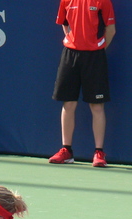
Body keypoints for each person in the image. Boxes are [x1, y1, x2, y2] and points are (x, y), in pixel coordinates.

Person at [48, 0, 116, 168]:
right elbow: (65, 24)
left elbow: (111, 30)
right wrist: (74, 42)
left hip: (95, 57)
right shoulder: (66, 1)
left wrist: (97, 48)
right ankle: (66, 151)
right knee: (68, 103)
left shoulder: (103, 2)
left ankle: (99, 152)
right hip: (70, 55)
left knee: (97, 106)